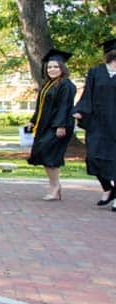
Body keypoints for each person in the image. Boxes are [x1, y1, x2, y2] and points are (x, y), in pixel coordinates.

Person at [25, 49, 76, 201]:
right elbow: (40, 107)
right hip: (45, 126)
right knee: (45, 155)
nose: (52, 70)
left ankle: (54, 188)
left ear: (62, 68)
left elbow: (65, 107)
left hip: (58, 126)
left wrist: (60, 126)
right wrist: (32, 121)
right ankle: (56, 186)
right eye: (49, 67)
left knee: (50, 156)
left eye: (55, 67)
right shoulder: (48, 85)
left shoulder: (66, 85)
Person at [72, 38, 116, 210]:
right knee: (93, 157)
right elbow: (87, 94)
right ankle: (108, 188)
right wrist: (80, 110)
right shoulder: (96, 72)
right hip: (98, 123)